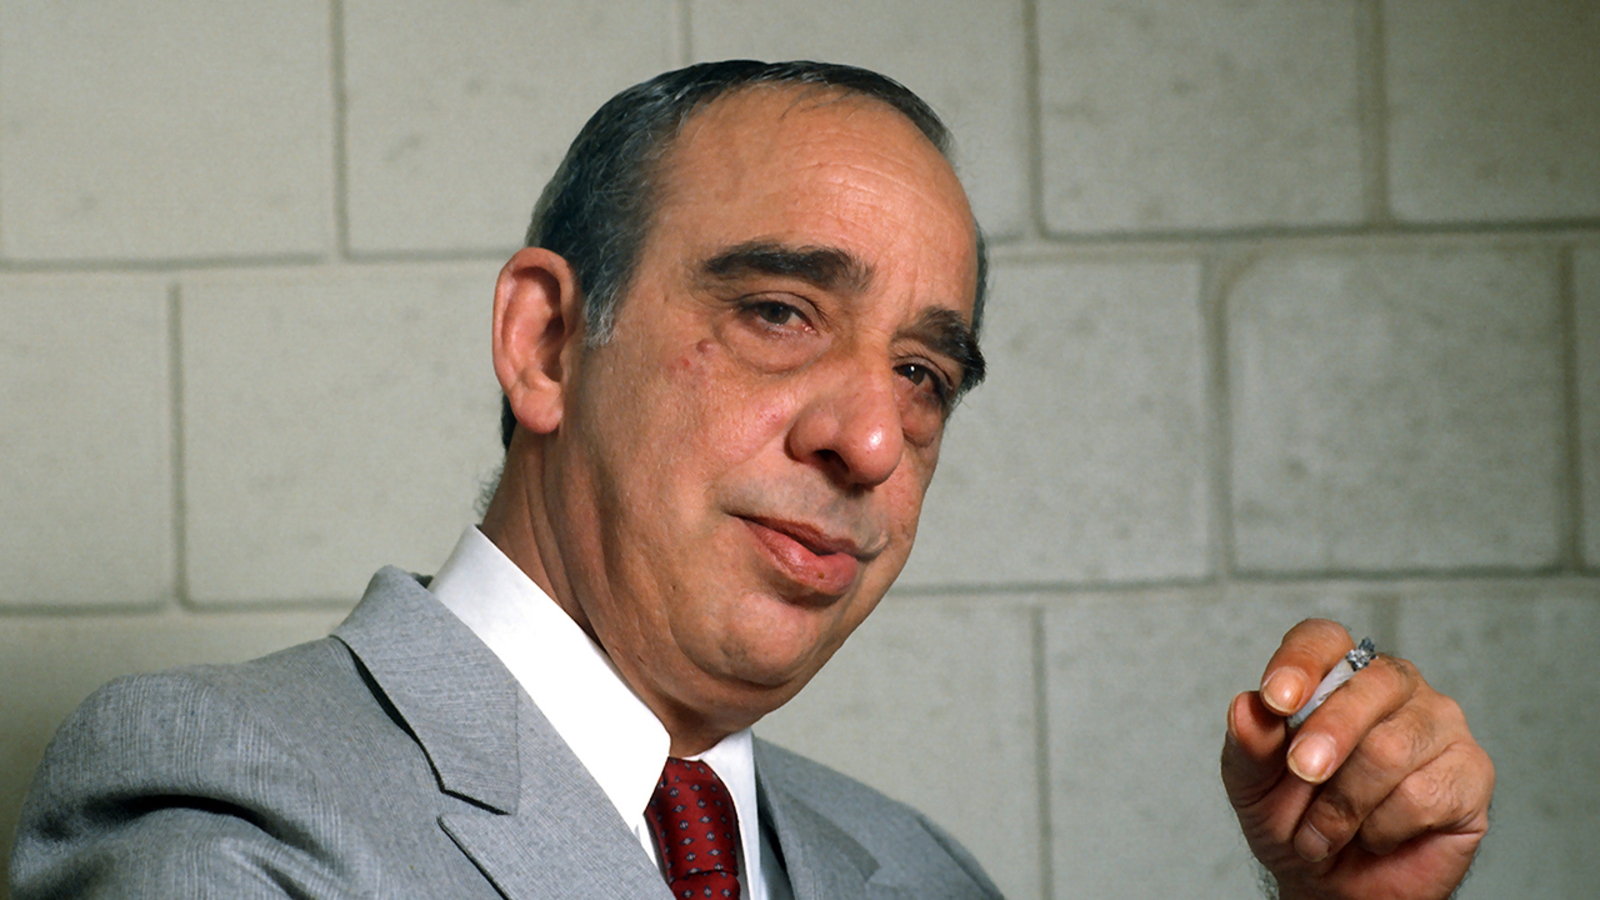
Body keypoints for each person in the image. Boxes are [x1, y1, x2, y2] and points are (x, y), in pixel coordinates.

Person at [10, 60, 1491, 900]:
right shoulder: (225, 798)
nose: (871, 440)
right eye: (780, 313)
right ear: (545, 343)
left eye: (925, 373)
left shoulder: (919, 872)